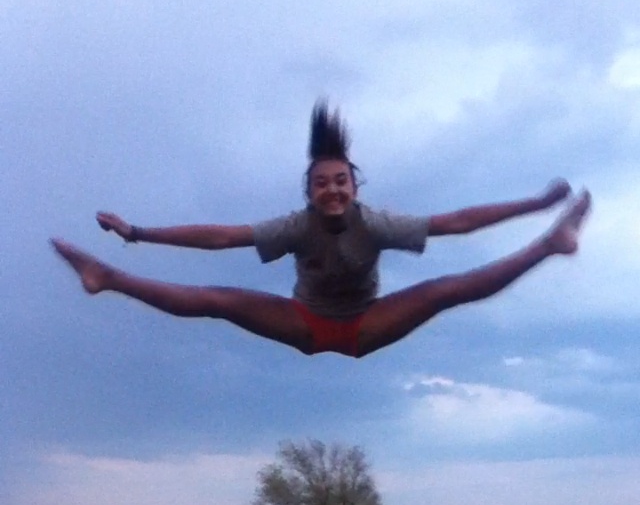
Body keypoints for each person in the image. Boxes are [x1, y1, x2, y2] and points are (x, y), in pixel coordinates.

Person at [52, 101, 591, 359]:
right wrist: (138, 233)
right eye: (320, 184)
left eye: (340, 181)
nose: (331, 190)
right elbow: (220, 237)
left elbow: (458, 222)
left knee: (445, 290)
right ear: (308, 193)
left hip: (367, 325)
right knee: (216, 298)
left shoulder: (377, 223)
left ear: (354, 185)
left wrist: (537, 203)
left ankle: (550, 243)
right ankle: (108, 275)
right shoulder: (295, 227)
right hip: (306, 323)